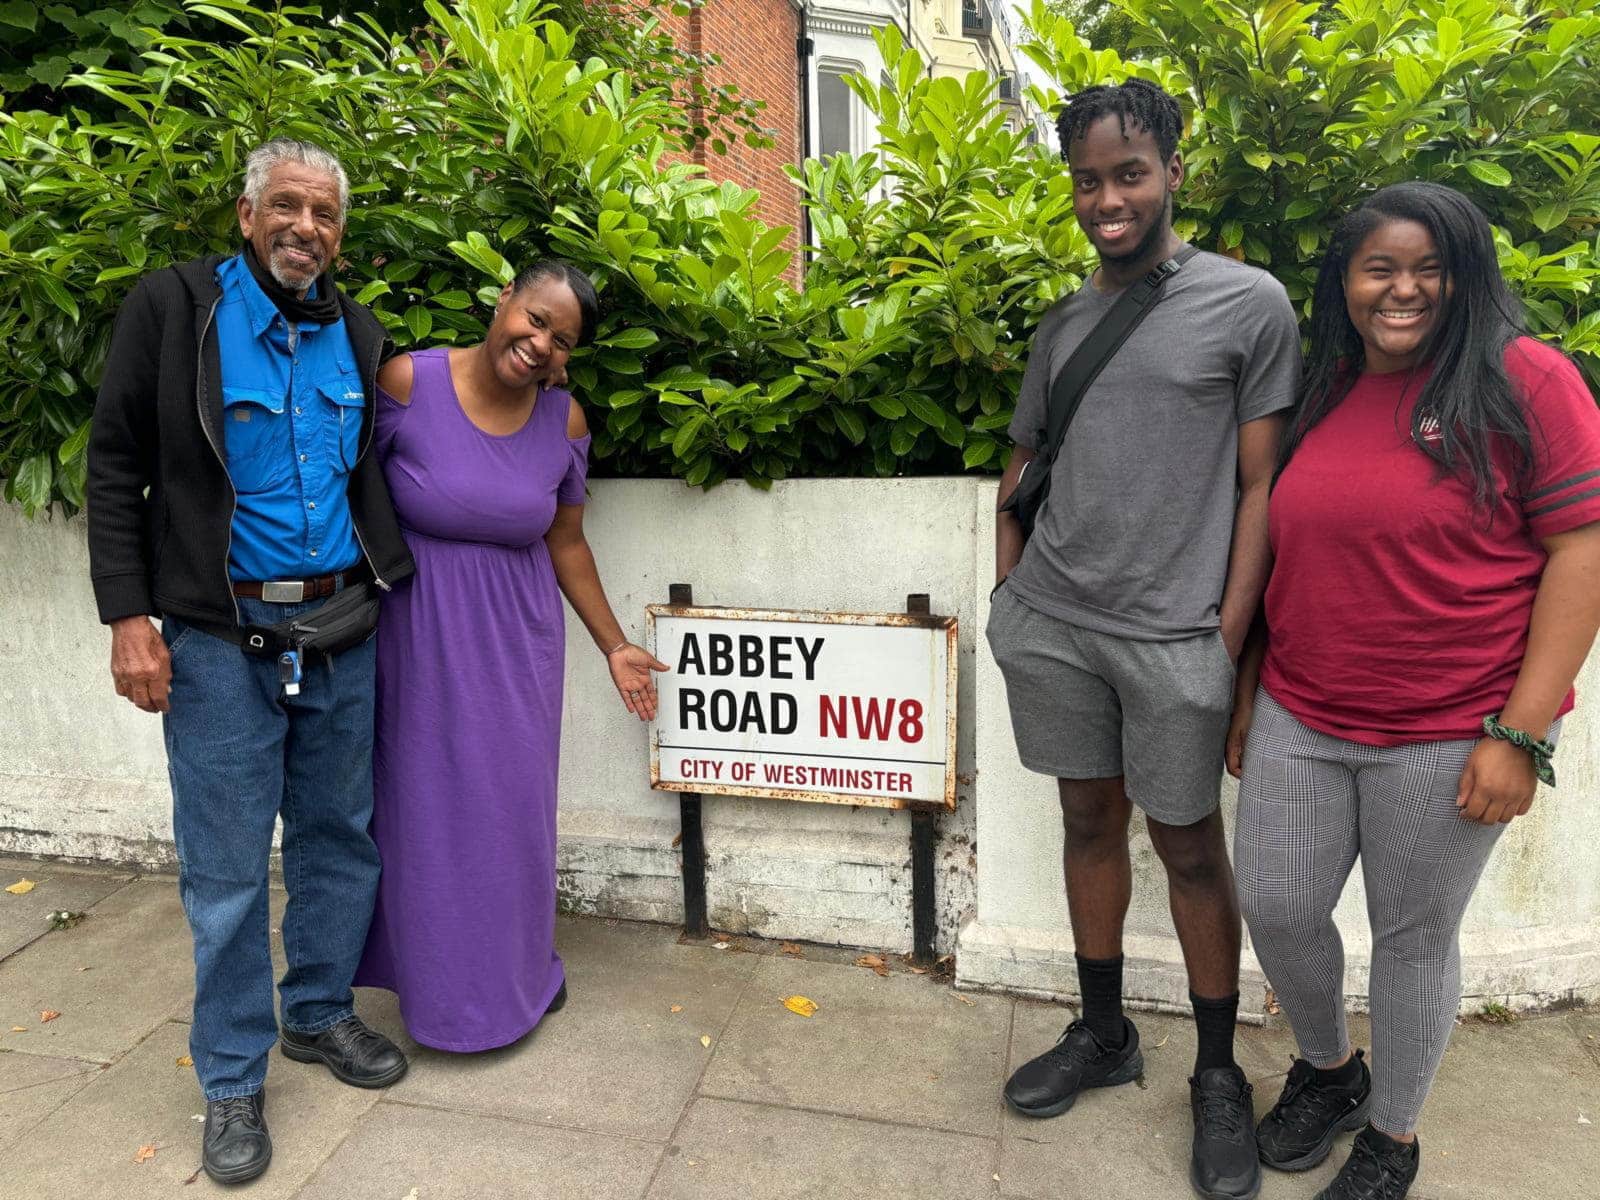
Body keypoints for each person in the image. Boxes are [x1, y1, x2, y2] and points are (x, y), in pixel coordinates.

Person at [1226, 181, 1600, 1200]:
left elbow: (1581, 552)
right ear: (1343, 282)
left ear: (1466, 277)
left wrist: (1519, 737)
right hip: (1303, 710)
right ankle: (1331, 1070)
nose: (1403, 290)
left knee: (1412, 938)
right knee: (1276, 905)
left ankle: (1392, 1138)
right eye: (1378, 269)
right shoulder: (1328, 385)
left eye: (1430, 269)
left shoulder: (1526, 380)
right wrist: (1251, 689)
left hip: (1450, 729)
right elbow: (1291, 550)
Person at [988, 79, 1302, 1200]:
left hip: (1175, 639)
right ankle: (1106, 1032)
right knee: (1086, 821)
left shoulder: (1249, 304)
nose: (1107, 199)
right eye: (1087, 180)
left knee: (1189, 847)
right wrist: (1006, 595)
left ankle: (1216, 1073)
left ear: (1174, 171)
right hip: (1055, 625)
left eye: (1129, 173)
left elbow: (1262, 484)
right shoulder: (1064, 323)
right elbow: (1024, 460)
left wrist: (1224, 635)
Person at [86, 138, 416, 1184]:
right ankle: (231, 1078)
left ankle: (317, 1012)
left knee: (339, 840)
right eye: (286, 206)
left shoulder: (359, 333)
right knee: (226, 872)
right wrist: (127, 615)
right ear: (246, 215)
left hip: (342, 627)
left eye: (324, 214)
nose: (304, 228)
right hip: (220, 639)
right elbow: (114, 465)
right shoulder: (174, 310)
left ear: (340, 234)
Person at [353, 259, 666, 1051]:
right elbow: (347, 493)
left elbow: (567, 540)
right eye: (536, 319)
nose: (541, 344)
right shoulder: (407, 383)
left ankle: (519, 977)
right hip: (417, 637)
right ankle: (437, 995)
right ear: (504, 301)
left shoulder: (564, 421)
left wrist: (614, 644)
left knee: (510, 818)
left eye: (562, 341)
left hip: (518, 646)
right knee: (422, 815)